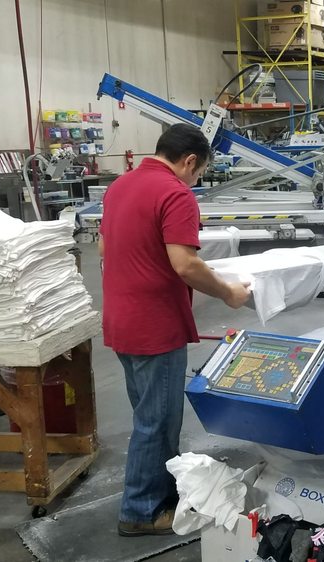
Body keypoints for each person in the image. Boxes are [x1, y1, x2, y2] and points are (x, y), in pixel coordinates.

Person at [99, 123, 251, 536]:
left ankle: (161, 495)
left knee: (148, 415)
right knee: (158, 422)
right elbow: (184, 264)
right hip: (154, 326)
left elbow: (104, 247)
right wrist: (228, 293)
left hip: (120, 319)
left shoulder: (120, 186)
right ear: (189, 161)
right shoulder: (175, 193)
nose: (196, 180)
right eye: (199, 173)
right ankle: (141, 512)